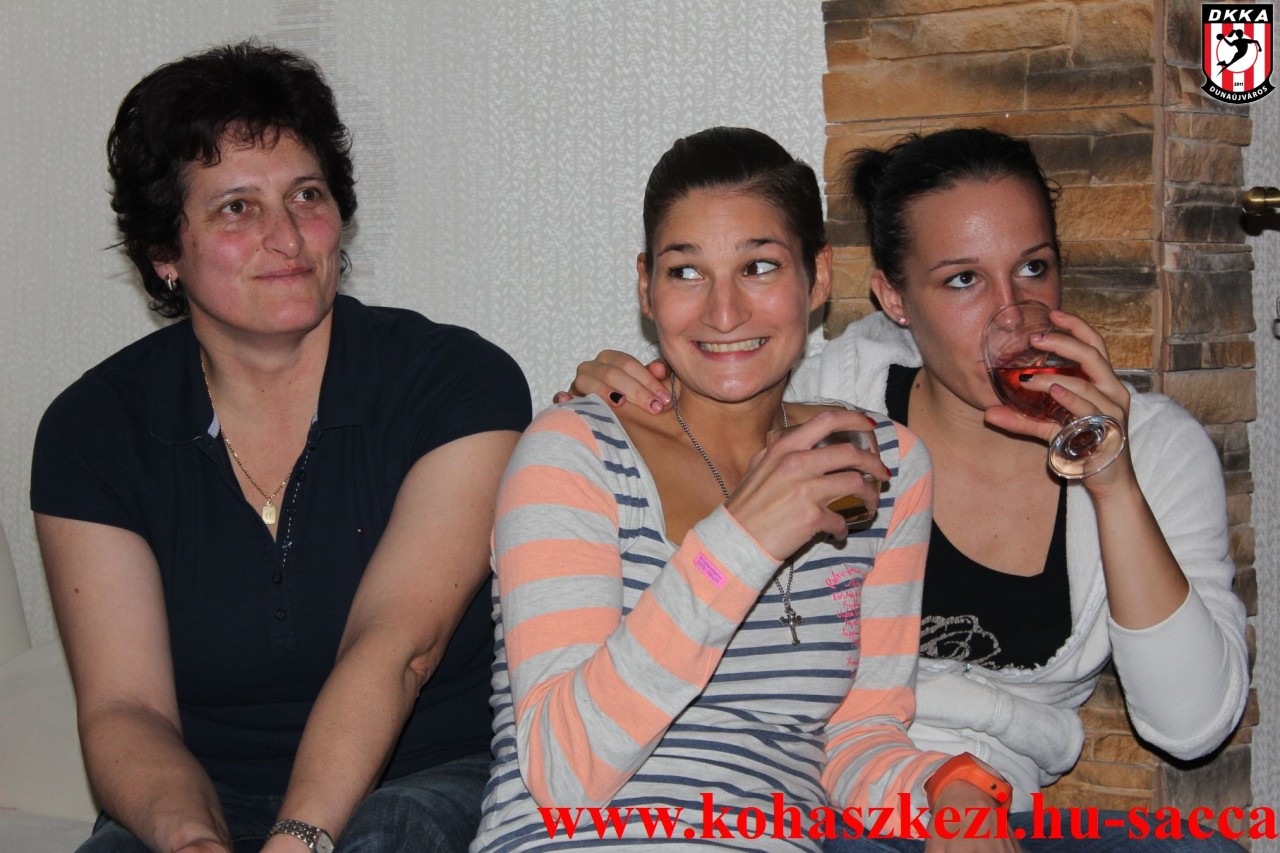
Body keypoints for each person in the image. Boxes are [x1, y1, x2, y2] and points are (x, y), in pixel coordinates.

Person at [561, 127, 1249, 848]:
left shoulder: (1151, 446)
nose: (1012, 313)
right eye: (962, 280)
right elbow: (688, 438)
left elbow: (1191, 725)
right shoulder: (830, 402)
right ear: (893, 295)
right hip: (814, 793)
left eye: (1033, 268)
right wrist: (617, 395)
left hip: (989, 810)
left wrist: (1113, 485)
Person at [31, 42, 530, 853]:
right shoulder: (93, 430)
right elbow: (128, 709)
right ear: (165, 253)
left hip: (429, 777)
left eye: (306, 194)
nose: (288, 236)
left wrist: (298, 838)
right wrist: (191, 838)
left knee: (389, 835)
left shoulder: (458, 384)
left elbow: (397, 645)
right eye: (236, 207)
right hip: (204, 791)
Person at [470, 127, 970, 852]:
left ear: (818, 277)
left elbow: (859, 737)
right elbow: (563, 768)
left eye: (759, 266)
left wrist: (947, 786)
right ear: (646, 287)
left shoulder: (878, 462)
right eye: (686, 272)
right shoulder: (574, 450)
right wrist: (741, 540)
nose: (724, 312)